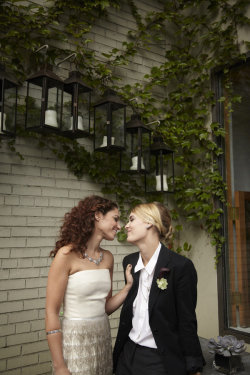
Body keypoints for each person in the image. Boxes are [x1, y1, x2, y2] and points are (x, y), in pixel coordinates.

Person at [113, 202, 205, 375]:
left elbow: (187, 321)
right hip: (127, 355)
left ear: (149, 222)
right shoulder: (129, 263)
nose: (126, 225)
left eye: (131, 219)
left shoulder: (180, 267)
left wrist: (194, 366)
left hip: (158, 360)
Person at [45, 195, 133, 375]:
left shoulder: (108, 258)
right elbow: (51, 312)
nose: (119, 225)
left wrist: (127, 288)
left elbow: (105, 307)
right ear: (98, 215)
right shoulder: (66, 255)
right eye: (115, 219)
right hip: (76, 341)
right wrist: (59, 366)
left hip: (102, 339)